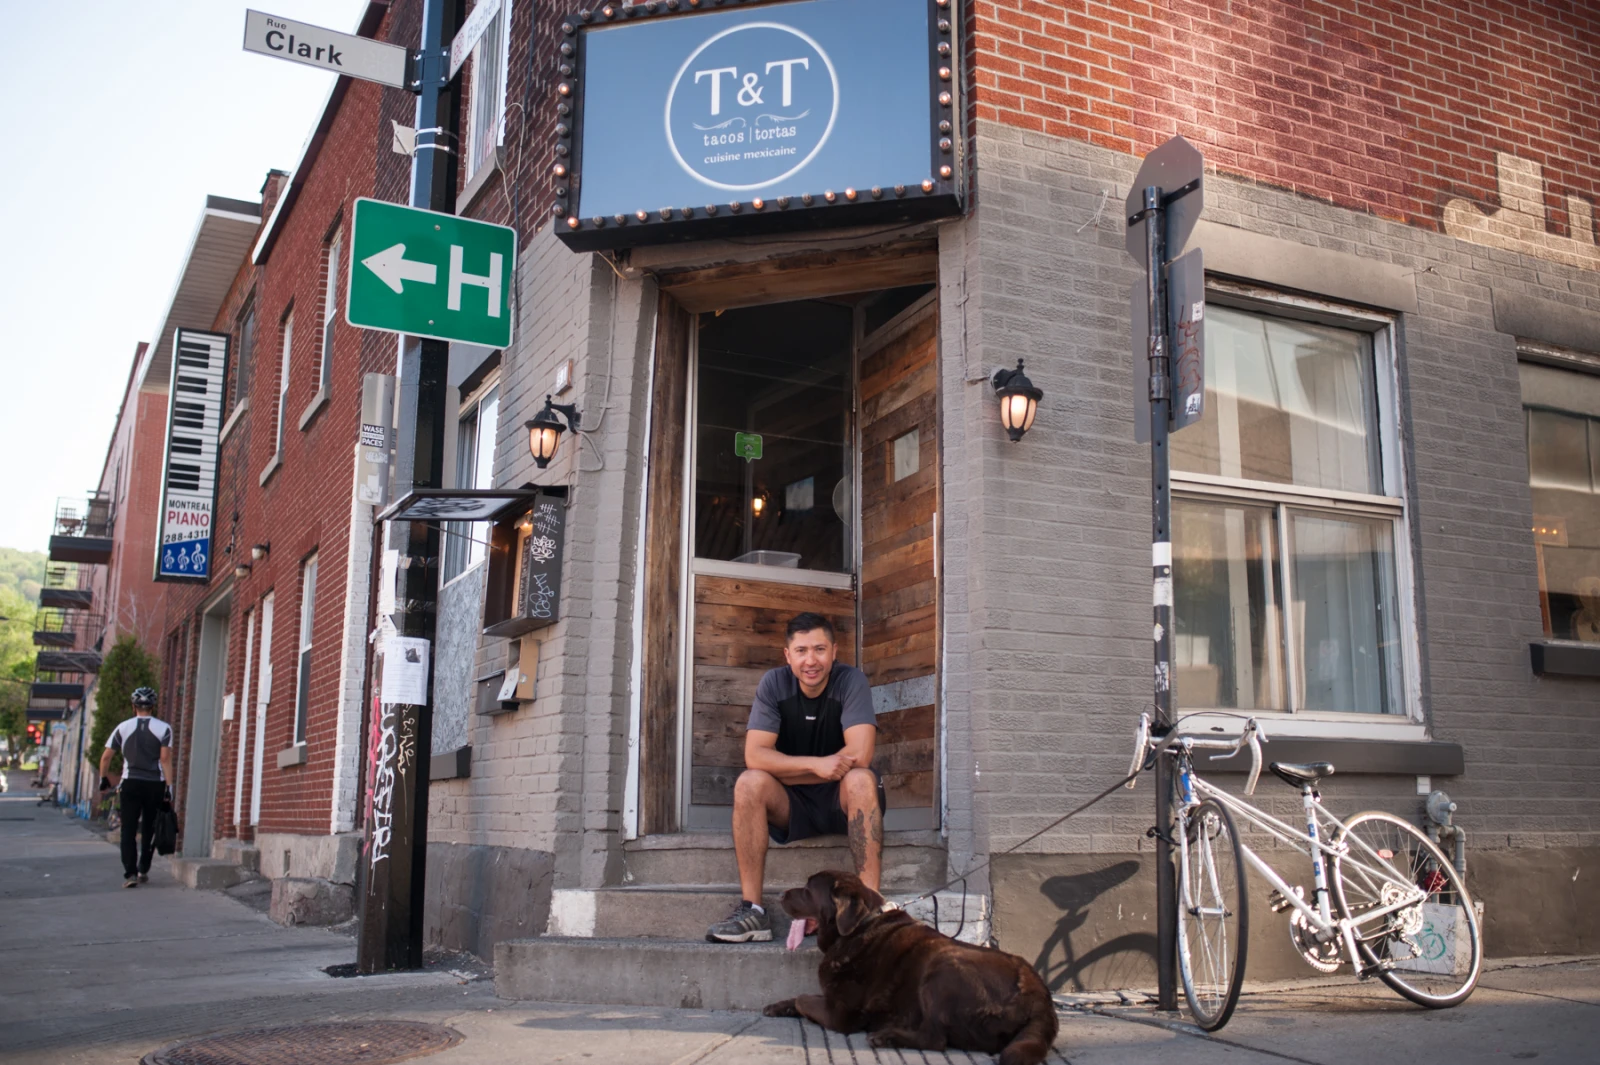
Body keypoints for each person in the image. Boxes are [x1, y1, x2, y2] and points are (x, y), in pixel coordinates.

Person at [706, 612, 884, 943]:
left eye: (819, 649)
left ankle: (868, 908)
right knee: (749, 782)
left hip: (841, 797)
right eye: (801, 651)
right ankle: (754, 913)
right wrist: (816, 766)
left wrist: (794, 768)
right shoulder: (774, 684)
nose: (811, 660)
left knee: (861, 778)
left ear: (834, 651)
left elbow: (860, 752)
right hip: (794, 802)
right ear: (787, 655)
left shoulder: (851, 681)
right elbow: (755, 755)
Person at [98, 686, 173, 888]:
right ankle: (143, 868)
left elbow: (106, 756)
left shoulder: (122, 727)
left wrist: (103, 778)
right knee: (149, 827)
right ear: (153, 706)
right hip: (154, 784)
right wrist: (169, 786)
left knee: (128, 829)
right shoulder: (164, 728)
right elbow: (165, 759)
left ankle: (130, 873)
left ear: (134, 706)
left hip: (130, 782)